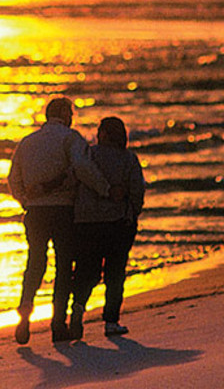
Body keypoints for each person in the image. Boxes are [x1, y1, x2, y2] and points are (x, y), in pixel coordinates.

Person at [8, 97, 110, 344]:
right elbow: (83, 167)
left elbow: (13, 179)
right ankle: (58, 323)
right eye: (70, 113)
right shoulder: (70, 138)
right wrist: (104, 189)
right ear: (64, 114)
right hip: (64, 210)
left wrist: (25, 200)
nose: (72, 117)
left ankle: (24, 316)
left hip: (35, 212)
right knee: (64, 266)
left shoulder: (27, 142)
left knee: (35, 263)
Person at [69, 117, 145, 340]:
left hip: (87, 222)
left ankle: (78, 309)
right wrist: (133, 213)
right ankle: (111, 321)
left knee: (86, 270)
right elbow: (137, 190)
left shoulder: (88, 155)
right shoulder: (128, 158)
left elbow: (74, 183)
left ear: (103, 134)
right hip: (116, 223)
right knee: (115, 272)